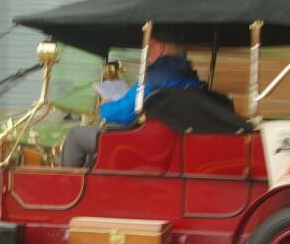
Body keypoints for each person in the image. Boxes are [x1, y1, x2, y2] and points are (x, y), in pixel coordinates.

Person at [60, 31, 204, 167]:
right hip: (167, 138)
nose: (146, 52)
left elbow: (122, 113)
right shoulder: (190, 78)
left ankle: (68, 186)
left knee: (76, 135)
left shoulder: (154, 77)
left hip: (140, 139)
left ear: (159, 48)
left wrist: (105, 107)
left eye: (149, 46)